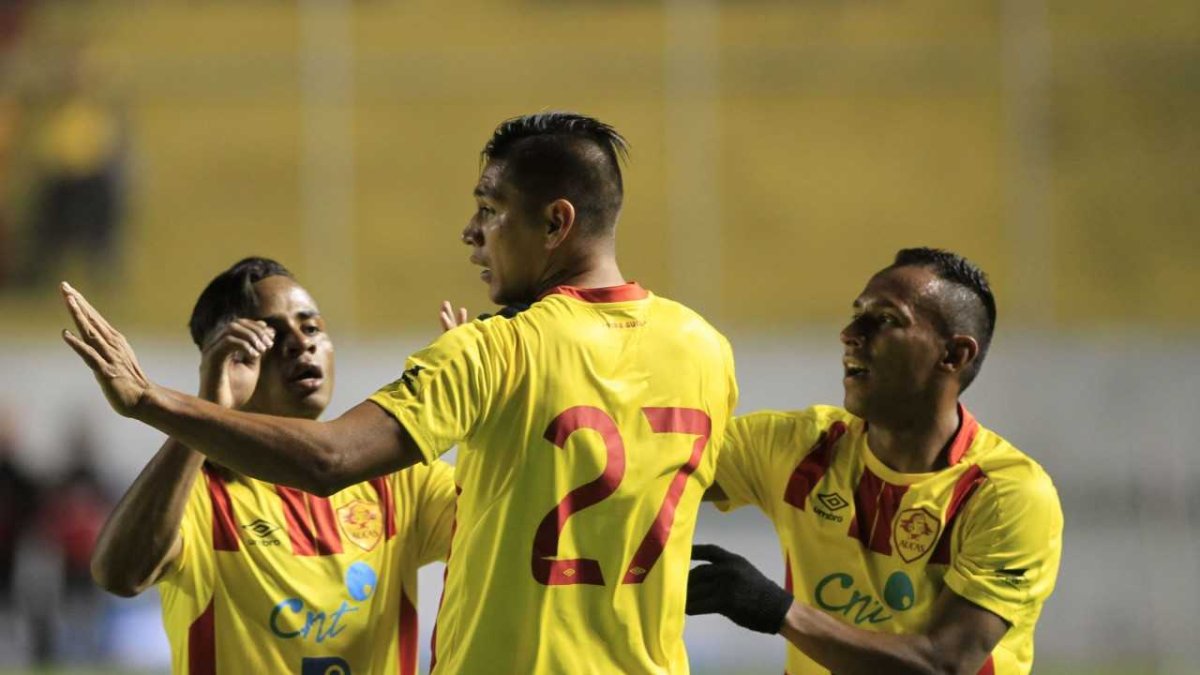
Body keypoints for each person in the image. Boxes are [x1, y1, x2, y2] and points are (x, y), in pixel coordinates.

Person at [62, 113, 739, 674]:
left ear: (556, 222)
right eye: (271, 334)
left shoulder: (492, 360)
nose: (472, 233)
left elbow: (331, 461)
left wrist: (153, 400)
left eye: (490, 210)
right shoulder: (708, 349)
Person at [688, 248, 1062, 675]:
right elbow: (649, 468)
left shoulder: (1004, 493)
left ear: (954, 356)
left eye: (885, 319)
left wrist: (777, 610)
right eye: (856, 315)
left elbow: (944, 664)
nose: (850, 333)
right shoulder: (797, 447)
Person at [88, 257, 456, 674]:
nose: (301, 342)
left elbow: (501, 523)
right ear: (228, 360)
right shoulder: (200, 490)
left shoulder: (397, 483)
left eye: (312, 326)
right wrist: (208, 409)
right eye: (272, 334)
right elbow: (121, 575)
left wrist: (480, 415)